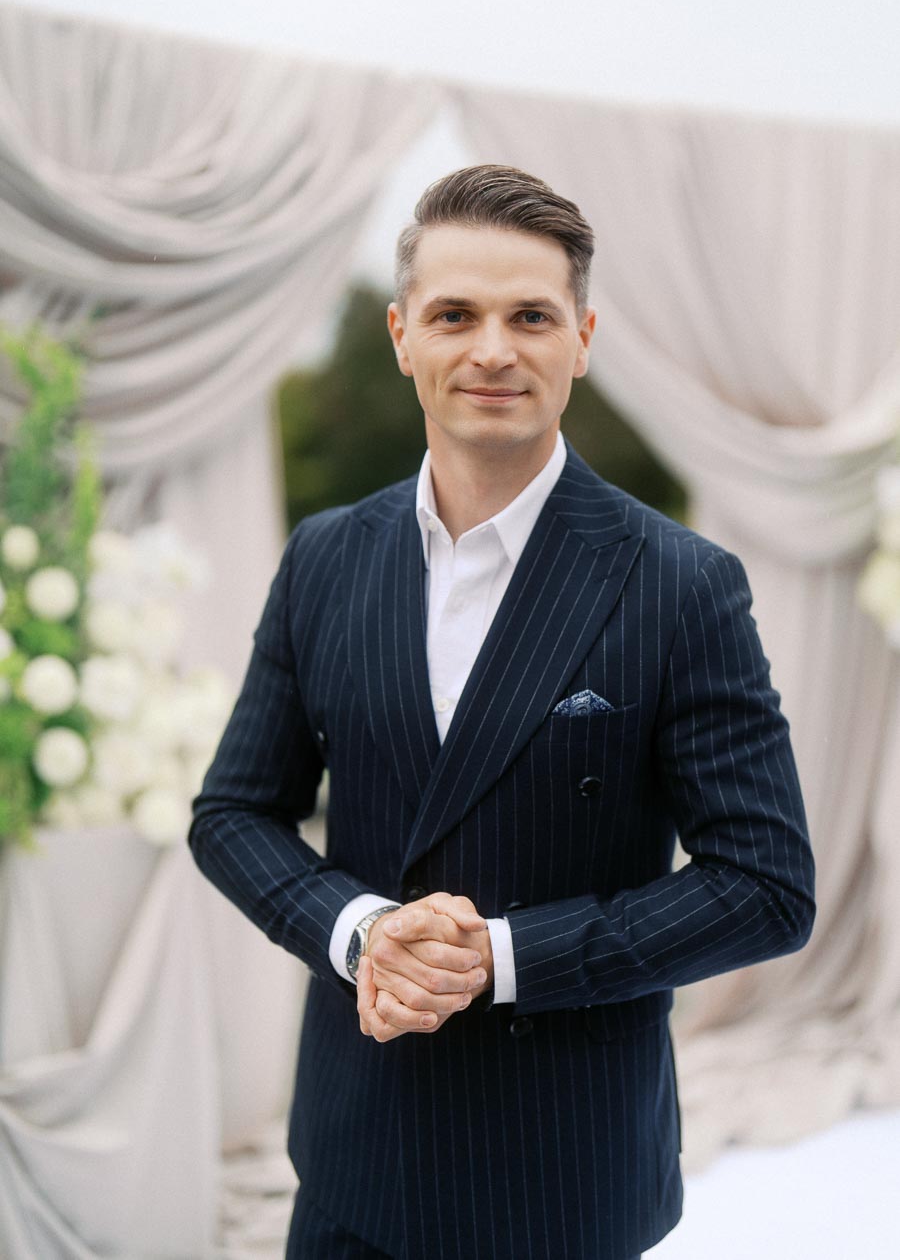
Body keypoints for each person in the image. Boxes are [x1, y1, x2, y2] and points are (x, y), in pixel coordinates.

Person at [188, 164, 816, 1260]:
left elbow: (766, 887)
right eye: (455, 315)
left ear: (582, 336)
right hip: (353, 1146)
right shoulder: (325, 557)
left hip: (561, 1165)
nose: (492, 349)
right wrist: (364, 932)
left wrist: (503, 958)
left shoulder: (681, 583)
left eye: (530, 315)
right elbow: (233, 812)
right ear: (401, 335)